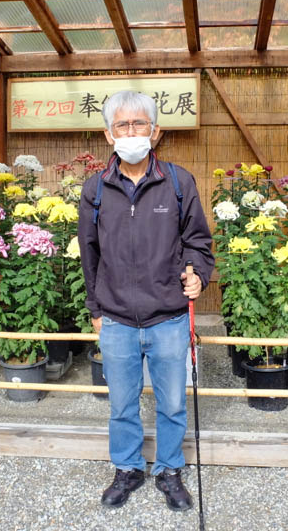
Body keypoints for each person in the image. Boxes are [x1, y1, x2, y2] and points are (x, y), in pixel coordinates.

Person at [77, 90, 214, 512]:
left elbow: (198, 242)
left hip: (169, 317)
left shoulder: (177, 182)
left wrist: (197, 275)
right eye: (123, 125)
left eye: (139, 124)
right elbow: (89, 253)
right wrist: (96, 311)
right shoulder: (96, 189)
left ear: (155, 131)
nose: (131, 132)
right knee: (121, 404)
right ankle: (128, 468)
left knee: (172, 402)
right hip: (116, 319)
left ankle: (170, 469)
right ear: (108, 133)